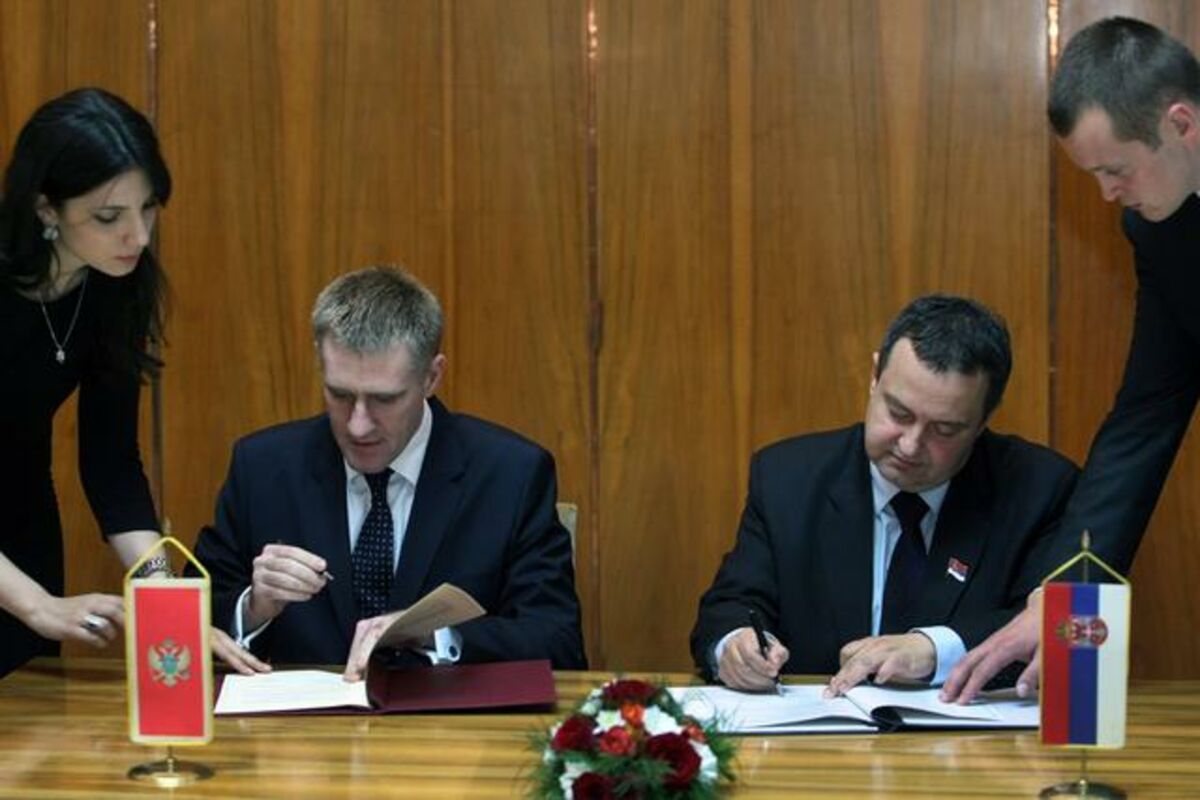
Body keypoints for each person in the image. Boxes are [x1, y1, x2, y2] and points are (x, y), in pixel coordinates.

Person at [943, 16, 1200, 704]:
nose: (1107, 194)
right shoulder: (1161, 228)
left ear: (1181, 124)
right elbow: (1145, 419)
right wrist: (1062, 592)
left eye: (1115, 169)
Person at [192, 266, 586, 680]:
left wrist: (436, 637)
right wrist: (253, 608)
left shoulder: (511, 475)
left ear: (431, 377)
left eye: (385, 399)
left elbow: (558, 643)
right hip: (301, 720)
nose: (358, 425)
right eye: (340, 394)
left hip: (450, 719)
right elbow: (192, 623)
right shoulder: (262, 467)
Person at [690, 295, 1079, 694]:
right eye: (898, 413)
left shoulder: (1039, 490)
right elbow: (729, 607)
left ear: (982, 422)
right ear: (875, 376)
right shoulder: (788, 479)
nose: (910, 445)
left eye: (944, 430)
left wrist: (934, 650)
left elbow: (1053, 628)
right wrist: (734, 646)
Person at [0, 88, 176, 678]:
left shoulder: (115, 283)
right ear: (46, 210)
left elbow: (111, 463)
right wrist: (36, 605)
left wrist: (164, 597)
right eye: (109, 217)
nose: (138, 236)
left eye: (147, 208)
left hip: (22, 522)